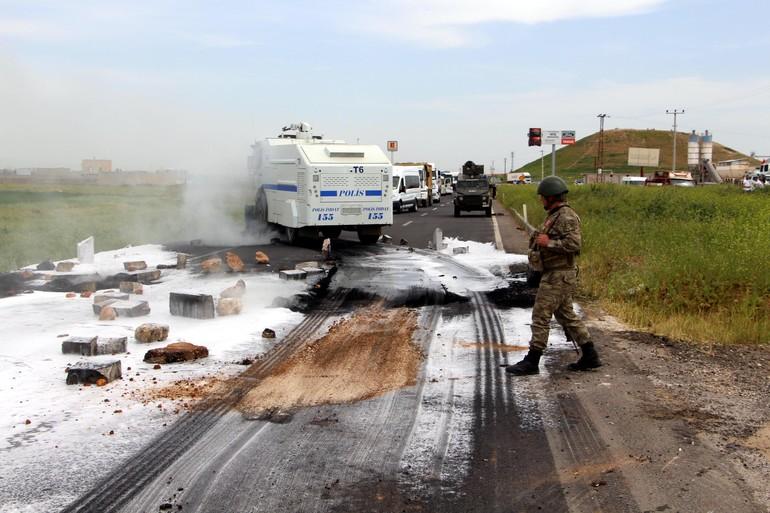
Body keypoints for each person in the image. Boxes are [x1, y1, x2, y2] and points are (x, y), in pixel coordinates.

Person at [506, 176, 601, 375]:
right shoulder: (555, 214)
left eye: (542, 197)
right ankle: (590, 354)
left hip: (558, 275)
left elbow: (574, 245)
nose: (541, 200)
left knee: (540, 316)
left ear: (550, 197)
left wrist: (547, 243)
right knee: (566, 315)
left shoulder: (566, 216)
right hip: (555, 274)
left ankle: (532, 361)